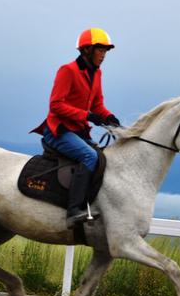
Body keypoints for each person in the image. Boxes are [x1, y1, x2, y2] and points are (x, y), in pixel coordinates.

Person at [32, 28, 121, 229]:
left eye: (106, 51)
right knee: (90, 157)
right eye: (101, 50)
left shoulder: (97, 74)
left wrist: (108, 116)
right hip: (59, 131)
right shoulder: (67, 70)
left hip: (78, 132)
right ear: (88, 50)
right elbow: (56, 105)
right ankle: (73, 211)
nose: (104, 55)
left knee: (101, 156)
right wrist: (86, 115)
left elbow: (97, 104)